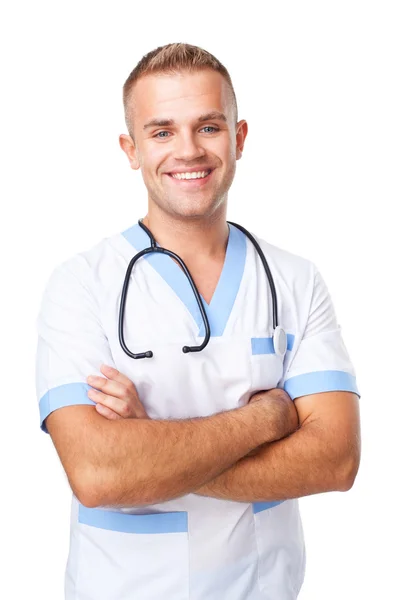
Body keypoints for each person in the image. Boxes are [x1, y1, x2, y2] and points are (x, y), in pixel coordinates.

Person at [35, 42, 361, 600]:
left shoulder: (295, 280)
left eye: (208, 127)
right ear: (130, 148)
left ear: (239, 139)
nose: (188, 150)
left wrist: (148, 446)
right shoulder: (81, 284)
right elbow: (98, 475)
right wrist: (267, 419)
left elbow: (336, 460)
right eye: (161, 131)